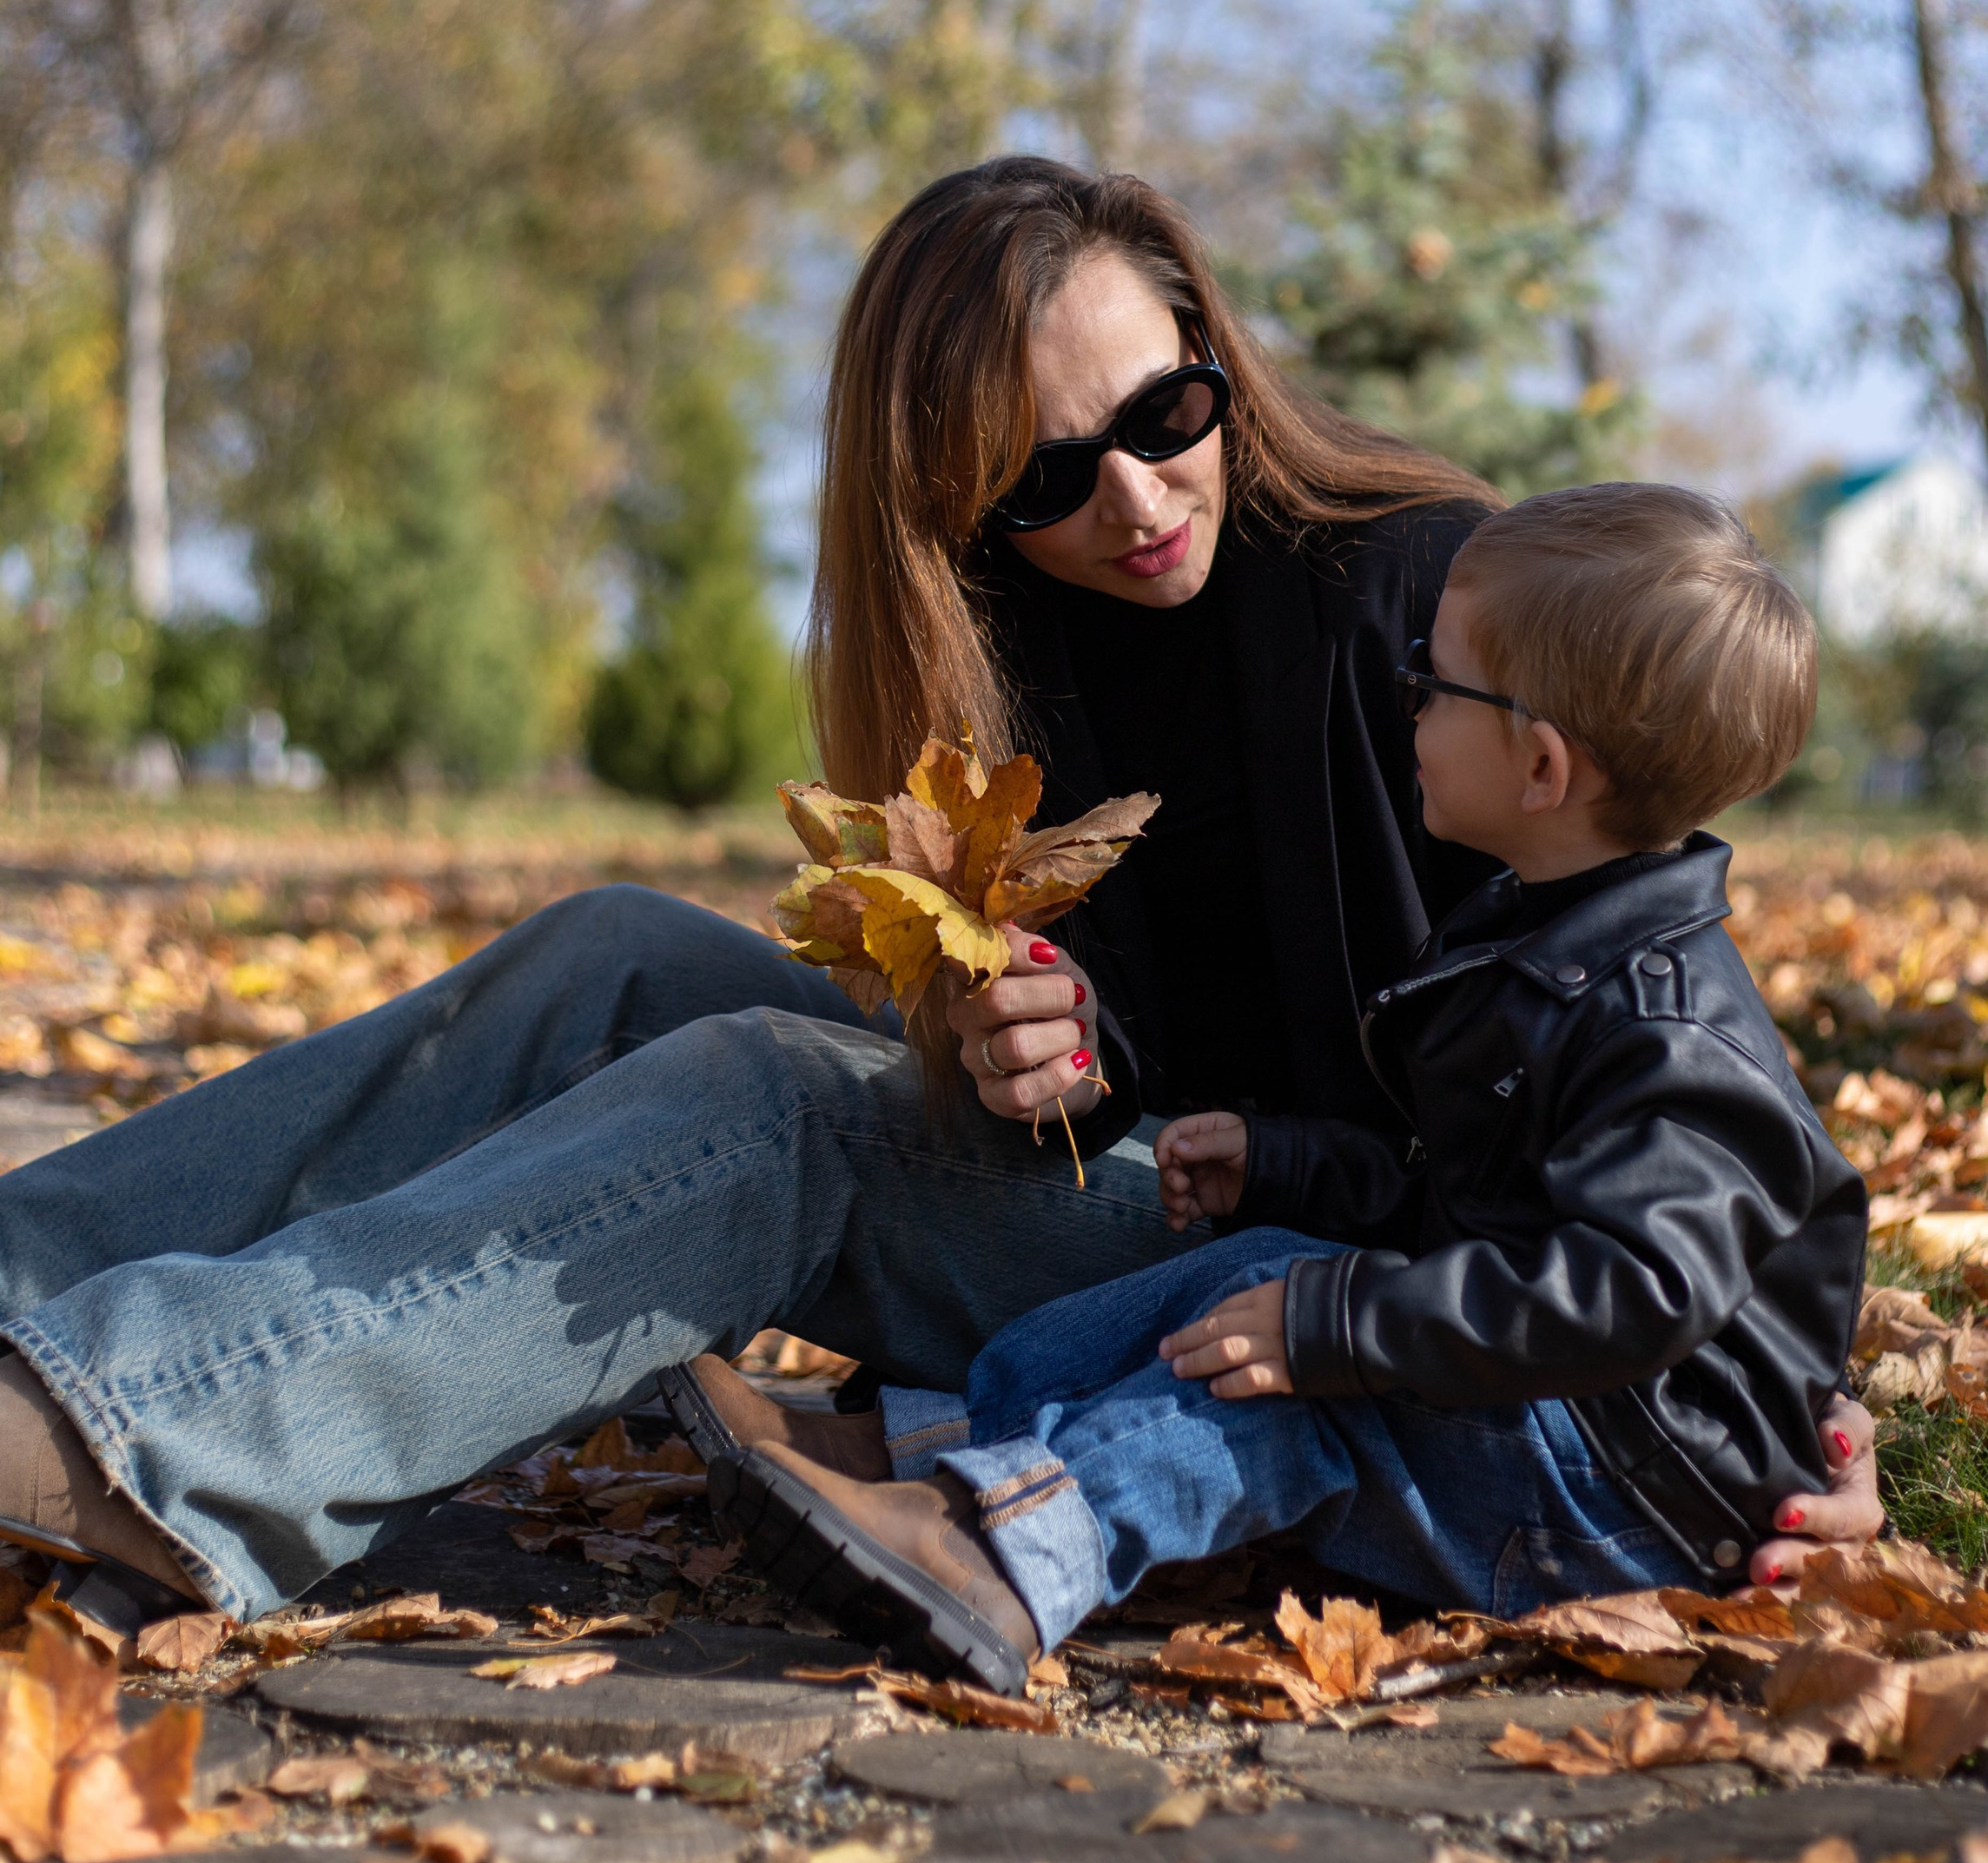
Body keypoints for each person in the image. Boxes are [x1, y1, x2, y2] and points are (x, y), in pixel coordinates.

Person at [0, 162, 1875, 1630]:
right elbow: (1103, 1061)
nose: (1134, 498)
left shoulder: (1420, 609)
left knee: (771, 1102)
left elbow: (1663, 1055)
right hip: (1174, 1183)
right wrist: (1035, 1054)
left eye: (1169, 409)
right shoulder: (998, 647)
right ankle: (27, 1281)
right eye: (1045, 476)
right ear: (954, 500)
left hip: (1329, 1284)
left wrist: (1784, 1406)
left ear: (1217, 352)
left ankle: (144, 1442)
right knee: (615, 954)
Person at [666, 485, 1868, 1693]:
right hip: (1563, 1426)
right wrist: (1286, 1162)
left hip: (1622, 1495)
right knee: (1260, 1277)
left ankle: (998, 1557)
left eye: (1433, 679)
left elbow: (1625, 1291)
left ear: (1543, 767)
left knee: (1294, 1378)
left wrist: (1335, 1328)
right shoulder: (1541, 933)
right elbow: (1471, 1203)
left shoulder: (1666, 1033)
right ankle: (920, 1458)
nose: (1407, 699)